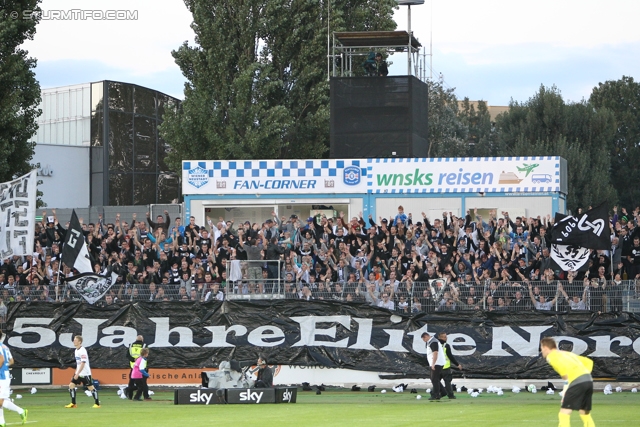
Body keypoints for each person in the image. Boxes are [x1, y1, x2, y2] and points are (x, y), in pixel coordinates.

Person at [540, 337, 595, 427]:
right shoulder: (566, 353)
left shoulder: (551, 356)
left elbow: (564, 373)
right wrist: (584, 375)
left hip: (577, 381)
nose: (542, 351)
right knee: (584, 412)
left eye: (542, 348)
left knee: (564, 412)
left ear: (546, 348)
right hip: (588, 380)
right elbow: (589, 362)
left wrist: (566, 388)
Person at [0, 330, 27, 425]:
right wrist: (4, 367)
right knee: (2, 399)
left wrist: (1, 367)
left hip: (2, 377)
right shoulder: (5, 346)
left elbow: (2, 359)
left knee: (1, 401)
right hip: (5, 375)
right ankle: (2, 422)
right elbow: (11, 361)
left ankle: (21, 411)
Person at [65, 335, 100, 408]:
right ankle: (73, 403)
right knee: (71, 385)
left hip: (85, 373)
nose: (74, 341)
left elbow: (83, 363)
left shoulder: (82, 350)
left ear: (79, 342)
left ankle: (97, 404)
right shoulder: (76, 350)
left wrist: (77, 373)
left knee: (90, 387)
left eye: (75, 340)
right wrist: (76, 372)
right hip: (78, 372)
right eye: (73, 340)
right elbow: (78, 363)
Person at [437, 331, 462, 400]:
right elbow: (450, 356)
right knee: (447, 382)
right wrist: (457, 364)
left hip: (437, 367)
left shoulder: (435, 345)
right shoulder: (446, 345)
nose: (446, 338)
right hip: (445, 367)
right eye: (445, 337)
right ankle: (450, 395)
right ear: (440, 337)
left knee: (436, 382)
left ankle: (436, 394)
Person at [421, 331, 445, 401]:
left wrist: (433, 363)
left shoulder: (433, 342)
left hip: (437, 363)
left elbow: (435, 353)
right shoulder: (431, 342)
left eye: (423, 339)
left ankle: (436, 395)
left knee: (434, 379)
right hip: (436, 362)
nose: (424, 341)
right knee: (434, 379)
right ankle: (443, 392)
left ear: (426, 336)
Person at [125, 335, 146, 400]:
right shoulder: (144, 346)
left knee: (131, 382)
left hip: (132, 366)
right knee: (142, 384)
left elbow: (127, 355)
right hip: (140, 367)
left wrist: (133, 359)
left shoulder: (131, 345)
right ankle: (137, 397)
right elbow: (145, 355)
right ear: (142, 339)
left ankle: (130, 395)